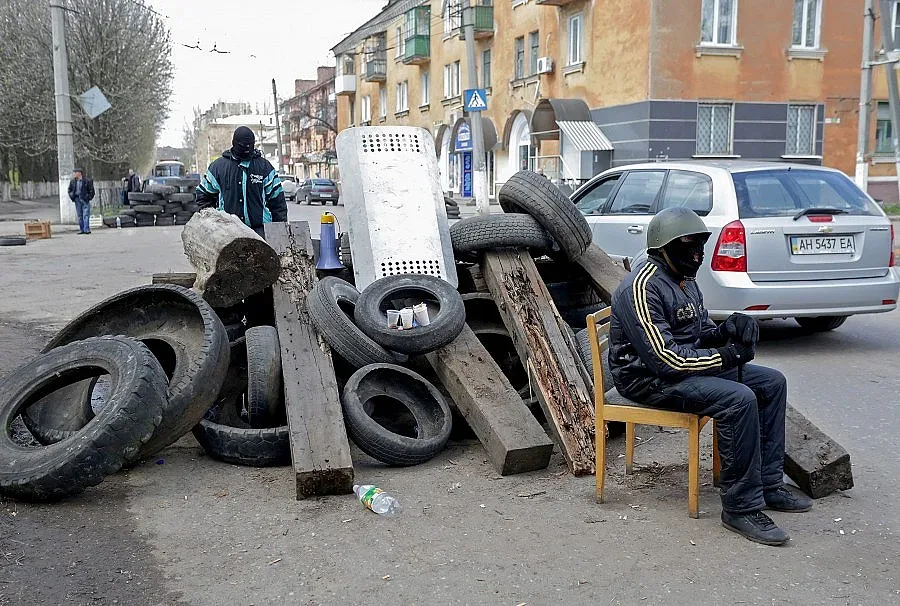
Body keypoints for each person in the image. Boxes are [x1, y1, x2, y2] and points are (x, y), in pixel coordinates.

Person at [608, 207, 812, 546]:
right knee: (738, 400)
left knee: (772, 383)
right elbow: (666, 360)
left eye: (700, 244)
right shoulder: (642, 288)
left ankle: (768, 484)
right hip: (646, 379)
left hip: (679, 367)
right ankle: (740, 507)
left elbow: (699, 331)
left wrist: (728, 328)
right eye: (688, 245)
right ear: (663, 247)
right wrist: (727, 356)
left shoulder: (685, 280)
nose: (697, 253)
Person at [195, 126, 287, 237]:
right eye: (242, 146)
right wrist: (212, 223)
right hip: (228, 233)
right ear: (234, 143)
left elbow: (278, 202)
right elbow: (203, 195)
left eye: (249, 145)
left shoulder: (264, 167)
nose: (246, 149)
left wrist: (280, 232)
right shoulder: (218, 168)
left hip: (260, 231)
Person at [67, 168, 95, 235]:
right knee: (80, 215)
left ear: (79, 173)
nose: (74, 174)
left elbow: (92, 191)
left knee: (86, 215)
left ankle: (86, 229)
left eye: (75, 172)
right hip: (77, 199)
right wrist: (72, 196)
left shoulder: (87, 181)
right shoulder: (73, 181)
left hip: (85, 199)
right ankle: (82, 229)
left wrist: (88, 197)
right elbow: (69, 190)